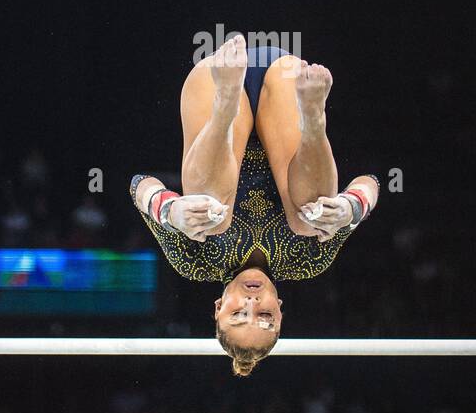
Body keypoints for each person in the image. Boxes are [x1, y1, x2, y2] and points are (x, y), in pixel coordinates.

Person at [131, 34, 380, 376]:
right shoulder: (308, 261)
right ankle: (313, 121)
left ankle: (226, 103)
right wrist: (351, 208)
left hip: (217, 81)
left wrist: (168, 210)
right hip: (283, 85)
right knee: (312, 220)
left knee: (209, 218)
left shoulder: (195, 263)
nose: (252, 303)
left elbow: (138, 185)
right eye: (264, 315)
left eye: (238, 315)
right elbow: (370, 182)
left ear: (218, 307)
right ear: (280, 309)